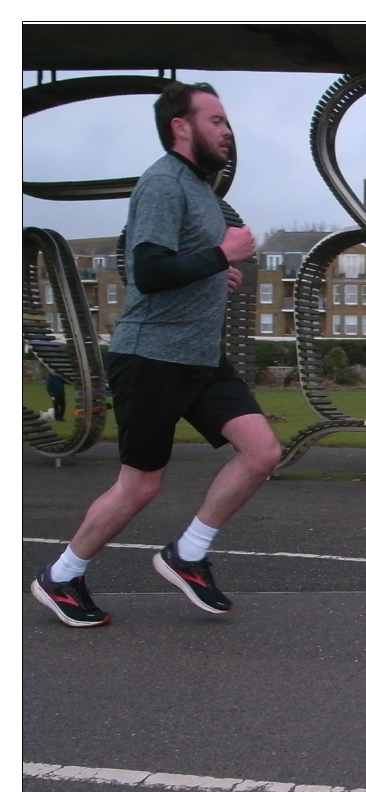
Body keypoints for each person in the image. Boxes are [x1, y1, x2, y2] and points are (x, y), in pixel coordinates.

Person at [31, 82, 282, 627]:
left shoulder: (199, 189)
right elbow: (145, 270)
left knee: (261, 451)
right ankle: (61, 576)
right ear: (181, 126)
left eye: (227, 121)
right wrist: (222, 252)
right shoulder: (163, 183)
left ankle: (187, 554)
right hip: (150, 358)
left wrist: (219, 271)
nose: (227, 130)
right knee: (140, 485)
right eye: (216, 120)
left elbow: (173, 265)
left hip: (198, 357)